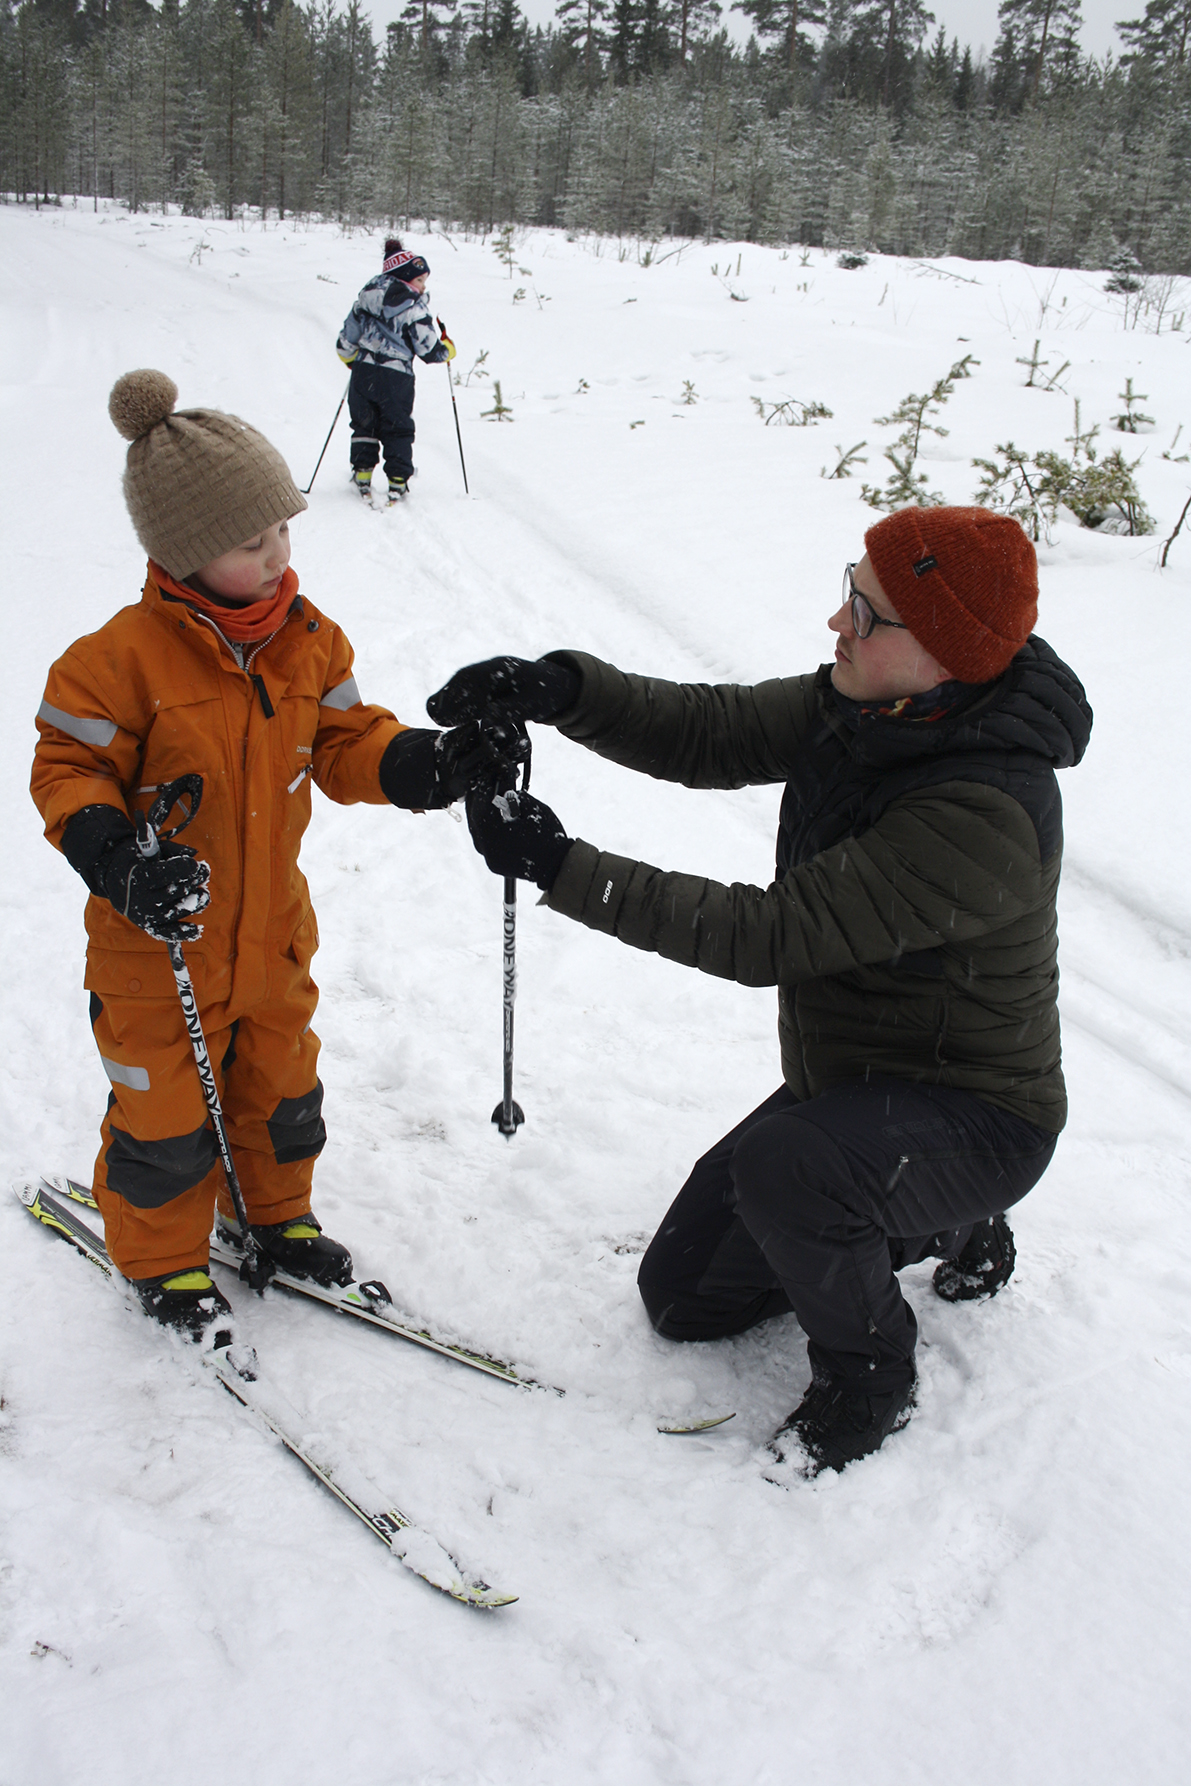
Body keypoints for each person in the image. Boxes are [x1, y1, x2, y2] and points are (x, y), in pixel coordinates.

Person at [427, 507, 1093, 1478]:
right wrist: (557, 688)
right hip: (859, 1090)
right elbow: (713, 731)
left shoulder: (982, 812)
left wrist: (558, 863)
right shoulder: (871, 705)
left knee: (792, 1167)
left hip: (977, 1116)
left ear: (942, 651)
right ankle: (940, 1219)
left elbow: (767, 934)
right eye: (848, 592)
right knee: (683, 1298)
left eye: (865, 611)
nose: (838, 625)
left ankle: (870, 1379)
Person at [31, 370, 511, 1342]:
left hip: (272, 939)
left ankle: (276, 1214)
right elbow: (67, 770)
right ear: (185, 551)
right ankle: (165, 1265)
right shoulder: (117, 660)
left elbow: (348, 741)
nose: (278, 553)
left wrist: (429, 764)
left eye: (283, 530)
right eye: (252, 542)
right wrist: (121, 862)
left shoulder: (305, 640)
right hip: (155, 945)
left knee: (283, 1091)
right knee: (162, 1118)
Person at [336, 236, 455, 506]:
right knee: (397, 427)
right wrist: (446, 350)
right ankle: (398, 481)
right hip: (396, 376)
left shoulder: (364, 301)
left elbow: (346, 339)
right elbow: (426, 347)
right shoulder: (414, 307)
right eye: (420, 280)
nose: (423, 286)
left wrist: (350, 359)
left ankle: (363, 473)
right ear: (403, 277)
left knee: (364, 423)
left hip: (363, 372)